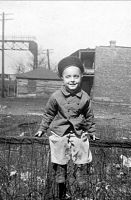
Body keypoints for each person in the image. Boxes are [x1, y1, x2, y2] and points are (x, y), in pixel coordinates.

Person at [35, 56, 97, 199]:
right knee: (58, 144)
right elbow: (49, 114)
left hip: (77, 130)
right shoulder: (56, 96)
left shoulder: (85, 98)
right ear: (62, 78)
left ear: (81, 76)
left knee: (82, 143)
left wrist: (92, 131)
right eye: (68, 76)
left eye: (76, 76)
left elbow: (89, 116)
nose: (72, 80)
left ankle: (79, 170)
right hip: (60, 129)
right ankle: (60, 170)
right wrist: (41, 129)